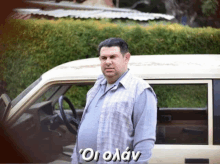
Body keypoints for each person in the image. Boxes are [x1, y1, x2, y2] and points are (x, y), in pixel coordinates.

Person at [71, 38, 157, 164]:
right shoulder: (96, 88)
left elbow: (144, 142)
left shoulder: (140, 90)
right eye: (103, 58)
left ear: (126, 58)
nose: (108, 62)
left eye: (113, 57)